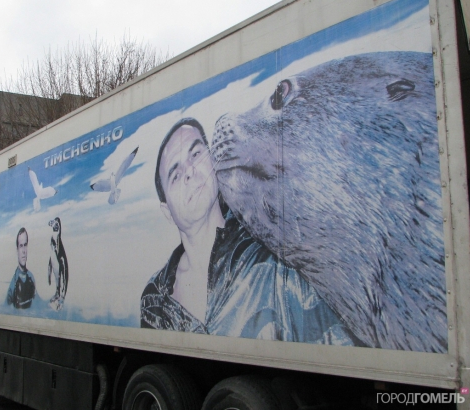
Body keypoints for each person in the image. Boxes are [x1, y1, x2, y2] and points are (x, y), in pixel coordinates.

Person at [141, 118, 359, 345]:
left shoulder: (275, 254)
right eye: (175, 175)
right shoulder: (154, 299)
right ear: (167, 212)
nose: (189, 171)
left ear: (213, 159)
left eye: (195, 154)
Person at [6, 228, 36, 309]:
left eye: (25, 245)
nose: (23, 251)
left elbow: (37, 301)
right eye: (21, 246)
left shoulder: (31, 277)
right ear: (17, 250)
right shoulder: (14, 282)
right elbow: (7, 307)